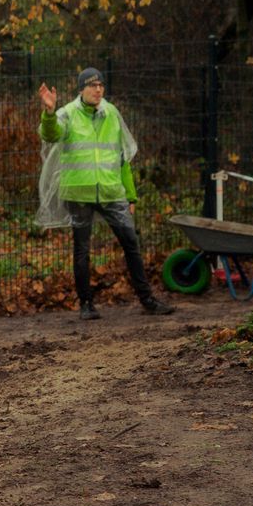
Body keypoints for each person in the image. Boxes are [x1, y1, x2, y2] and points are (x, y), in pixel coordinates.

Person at [38, 67, 176, 321]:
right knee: (82, 249)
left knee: (131, 243)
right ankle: (86, 305)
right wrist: (48, 111)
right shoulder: (67, 114)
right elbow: (50, 135)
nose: (98, 89)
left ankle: (147, 299)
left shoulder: (111, 113)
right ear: (81, 89)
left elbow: (122, 158)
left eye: (101, 85)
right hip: (79, 192)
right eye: (92, 85)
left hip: (112, 191)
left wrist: (131, 196)